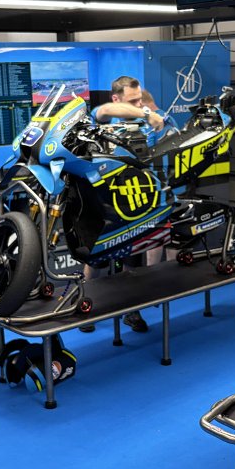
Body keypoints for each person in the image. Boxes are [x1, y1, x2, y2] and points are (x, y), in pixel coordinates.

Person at [78, 76, 163, 333]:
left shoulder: (145, 126)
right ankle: (85, 306)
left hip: (134, 202)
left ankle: (131, 312)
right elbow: (104, 110)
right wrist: (146, 112)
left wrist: (152, 116)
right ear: (117, 98)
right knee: (95, 260)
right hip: (104, 202)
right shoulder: (103, 119)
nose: (139, 105)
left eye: (140, 100)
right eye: (132, 100)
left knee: (132, 263)